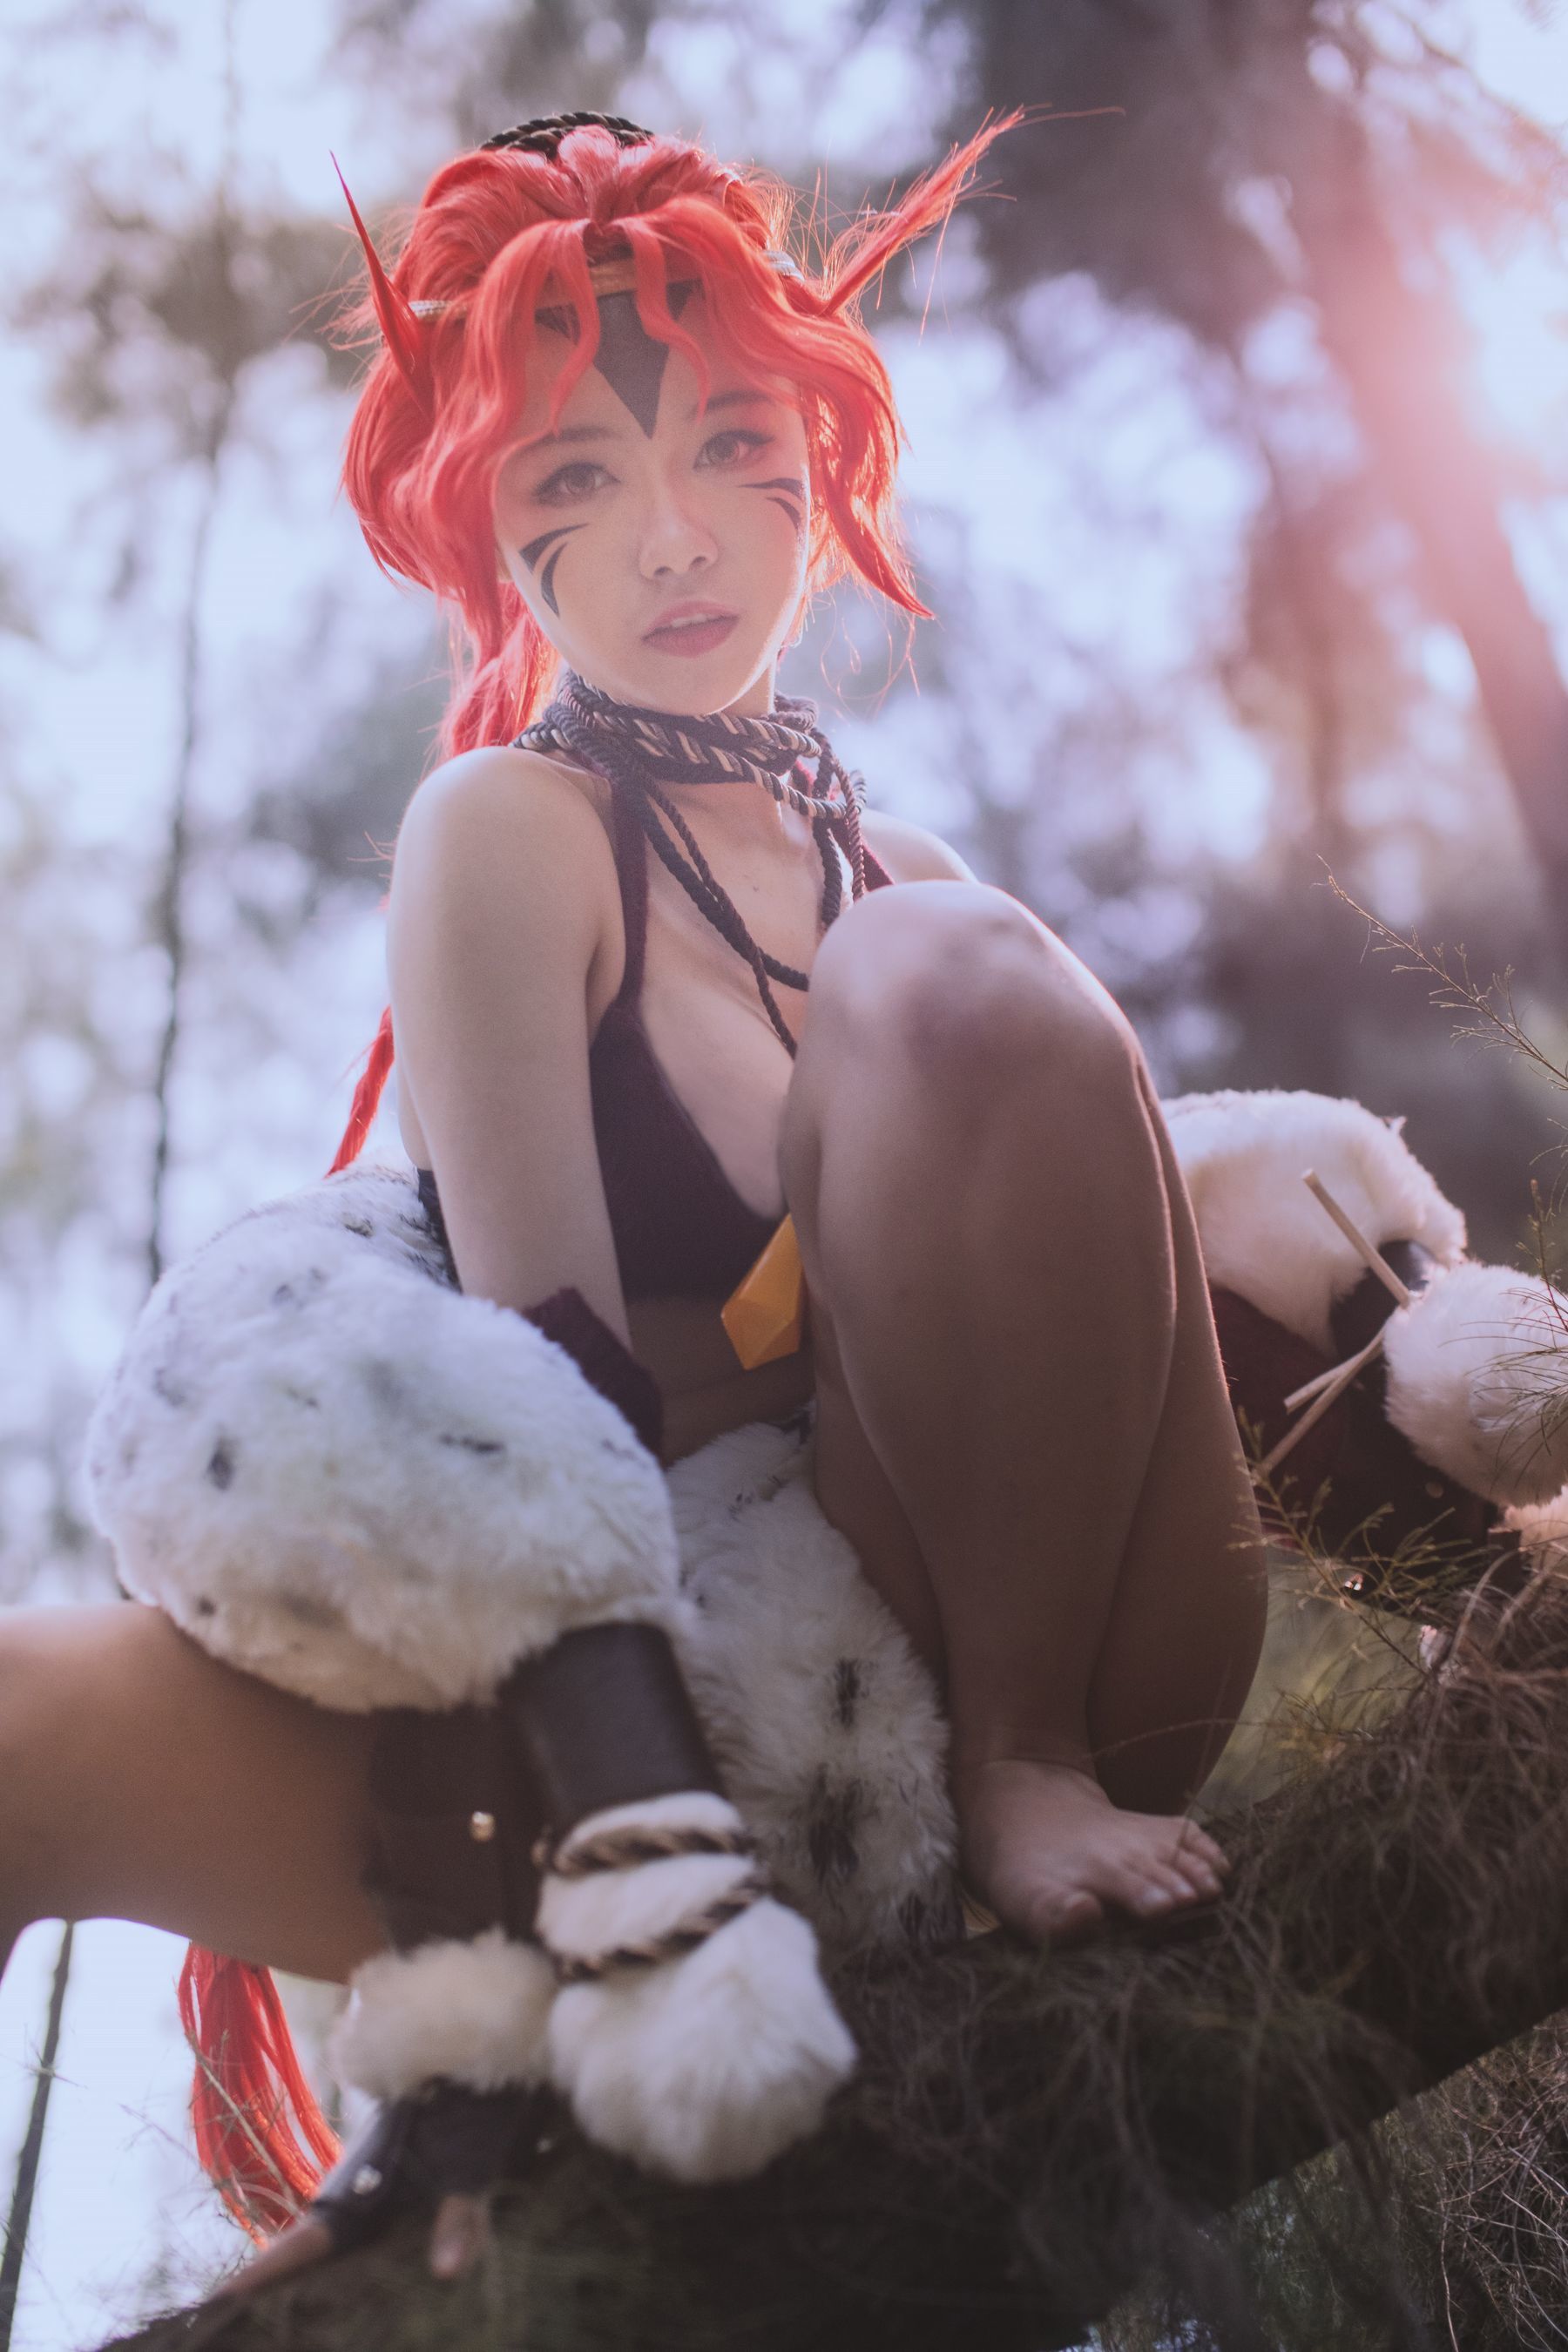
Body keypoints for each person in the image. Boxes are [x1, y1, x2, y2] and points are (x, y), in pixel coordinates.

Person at [0, 112, 1267, 2282]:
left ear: (819, 464)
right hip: (675, 1716)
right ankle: (532, 2027)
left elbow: (1136, 1307)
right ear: (494, 535)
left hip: (1058, 1662)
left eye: (727, 447)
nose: (670, 537)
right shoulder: (511, 828)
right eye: (574, 479)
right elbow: (550, 1419)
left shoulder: (920, 896)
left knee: (945, 958)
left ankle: (1028, 1767)